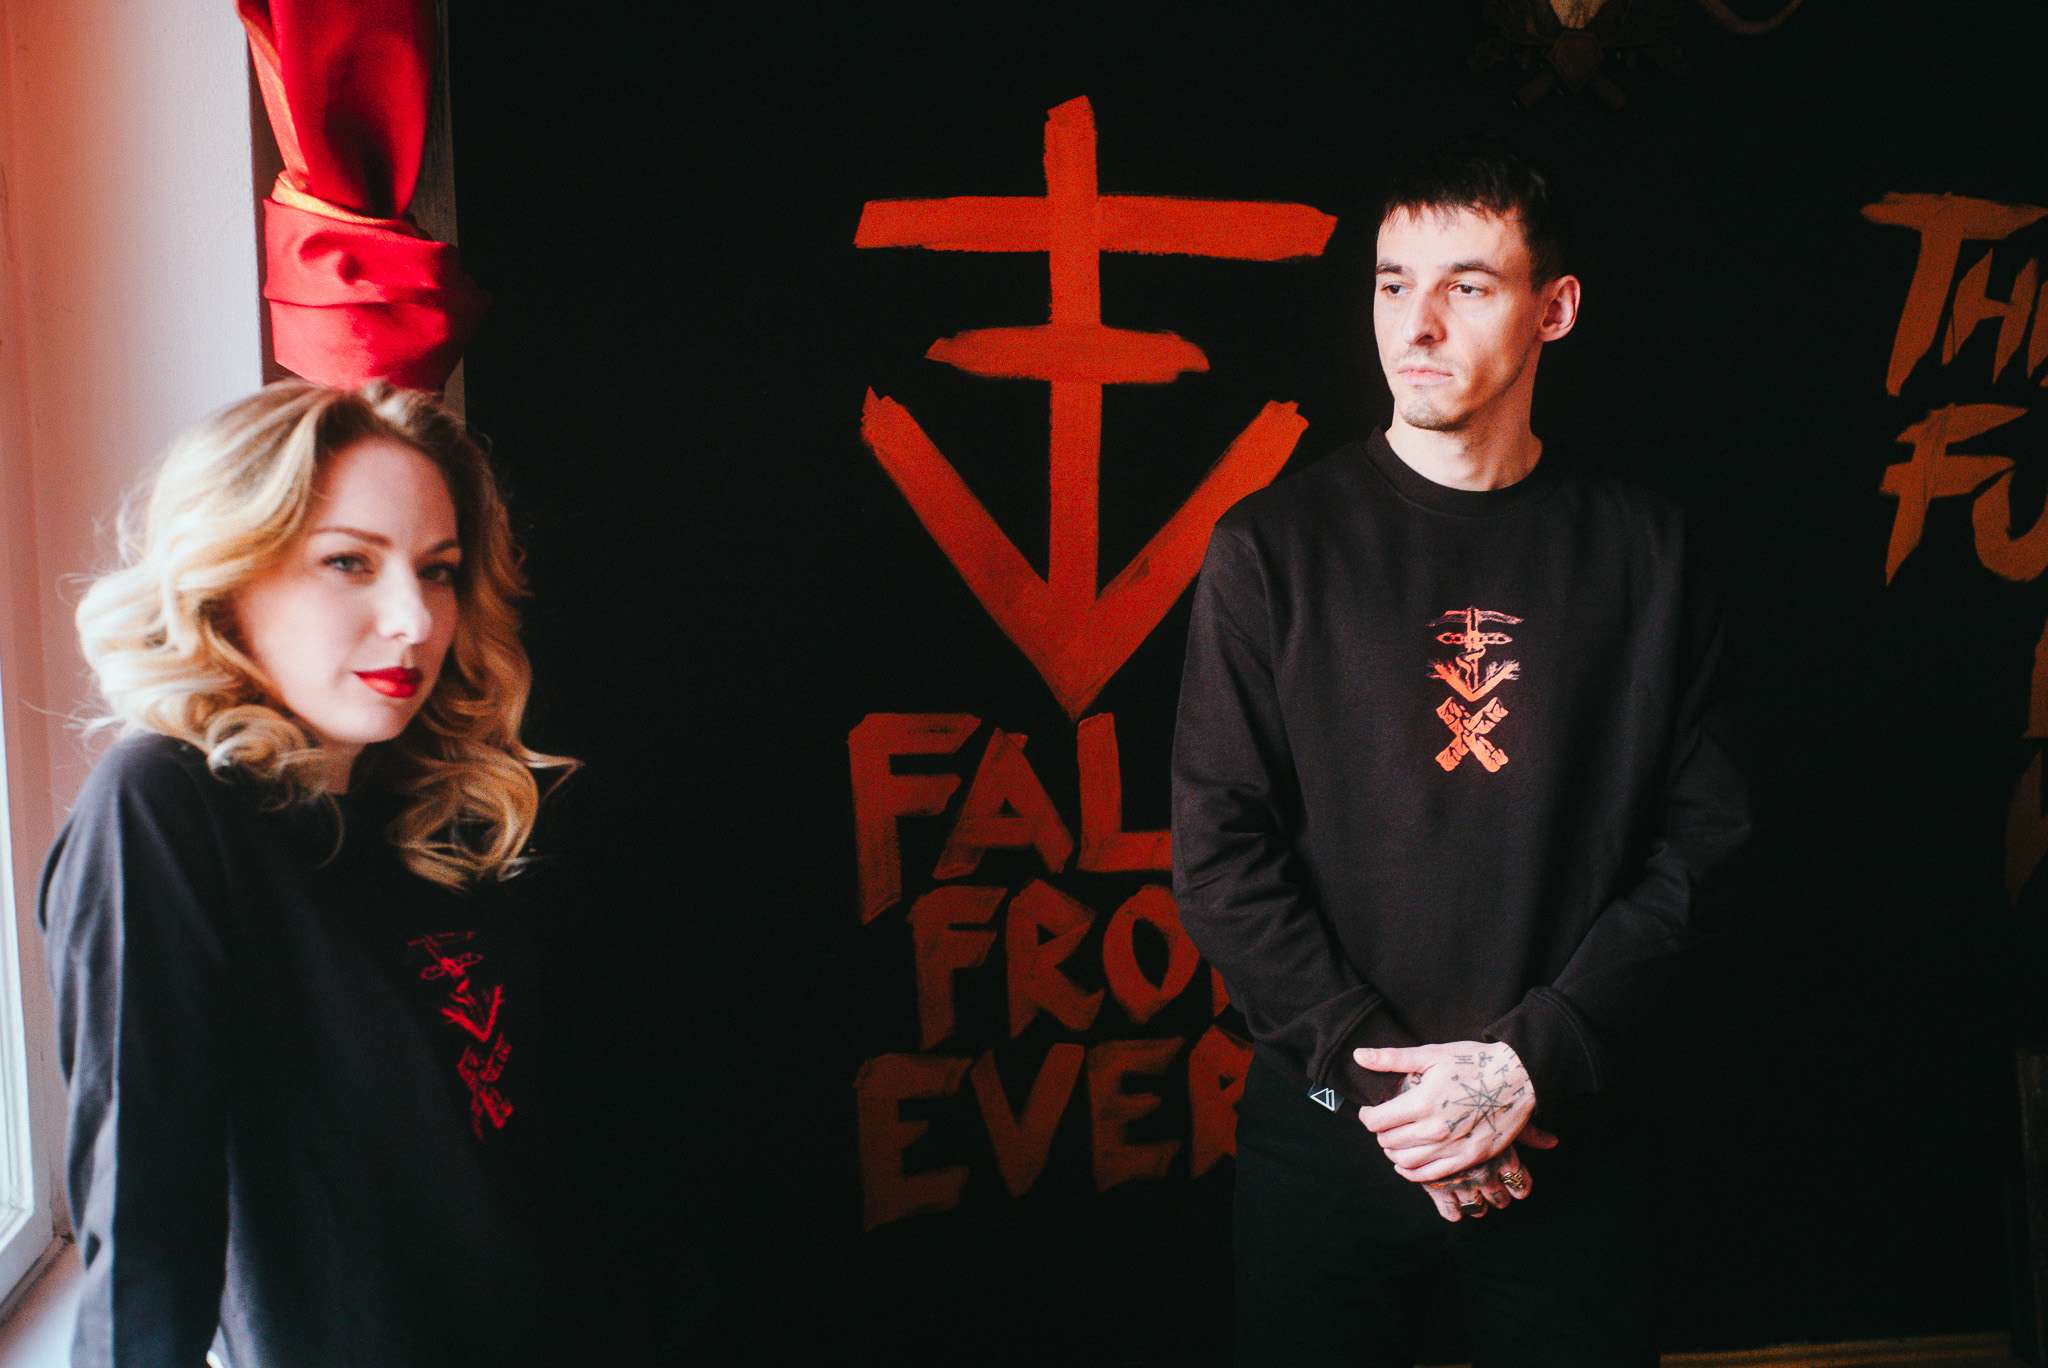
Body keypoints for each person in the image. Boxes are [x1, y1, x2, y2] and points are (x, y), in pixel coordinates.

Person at [1169, 139, 1751, 1366]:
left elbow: (1704, 845)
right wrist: (1405, 1103)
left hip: (1568, 1138)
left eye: (1465, 286)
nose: (1415, 325)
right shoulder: (1269, 549)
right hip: (1328, 1139)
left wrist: (1525, 1069)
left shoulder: (1648, 555)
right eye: (1392, 283)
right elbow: (1220, 855)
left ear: (1554, 309)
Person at [39, 379, 579, 1366]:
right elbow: (142, 1223)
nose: (413, 619)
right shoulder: (162, 805)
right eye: (348, 562)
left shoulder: (440, 809)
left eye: (438, 571)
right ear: (227, 580)